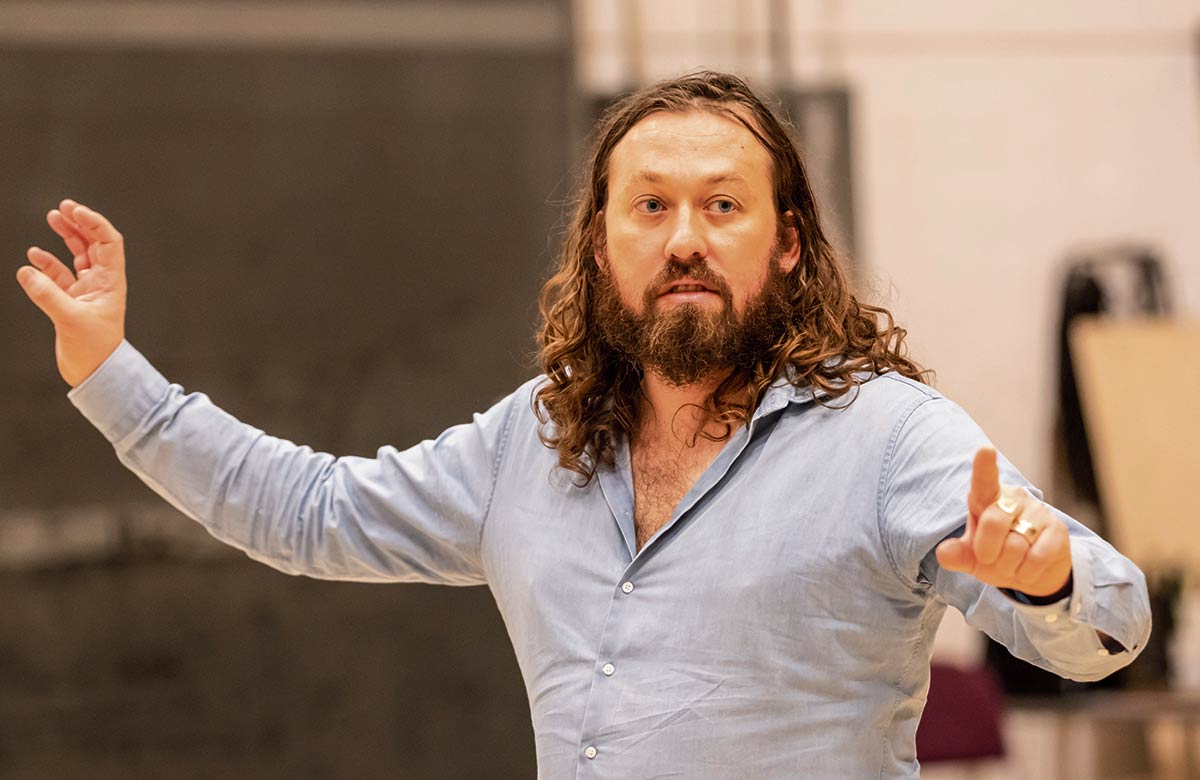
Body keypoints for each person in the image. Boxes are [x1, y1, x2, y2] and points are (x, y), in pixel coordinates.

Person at [16, 71, 1150, 778]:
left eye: (722, 205)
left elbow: (1108, 630)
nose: (685, 237)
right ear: (602, 247)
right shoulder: (533, 443)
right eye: (650, 207)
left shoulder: (887, 437)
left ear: (788, 242)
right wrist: (110, 372)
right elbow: (308, 511)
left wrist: (1048, 578)